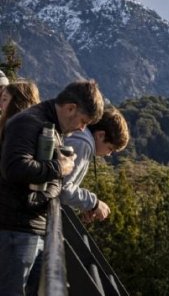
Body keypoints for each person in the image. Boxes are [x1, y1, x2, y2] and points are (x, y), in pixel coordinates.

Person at [0, 80, 104, 296]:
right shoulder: (29, 123)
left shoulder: (49, 126)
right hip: (15, 230)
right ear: (70, 109)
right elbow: (15, 168)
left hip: (29, 228)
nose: (82, 129)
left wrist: (55, 176)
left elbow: (56, 184)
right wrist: (59, 167)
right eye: (83, 121)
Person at [60, 107, 130, 221]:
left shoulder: (80, 137)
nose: (108, 154)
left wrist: (83, 205)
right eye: (110, 148)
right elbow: (63, 189)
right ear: (100, 135)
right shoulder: (83, 144)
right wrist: (94, 203)